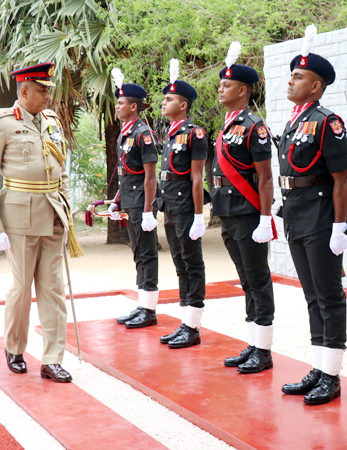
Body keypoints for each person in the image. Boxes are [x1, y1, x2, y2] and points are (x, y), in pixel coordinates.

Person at [0, 62, 76, 383]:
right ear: (24, 91)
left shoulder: (52, 121)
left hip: (52, 214)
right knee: (21, 288)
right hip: (18, 217)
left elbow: (60, 170)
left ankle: (52, 360)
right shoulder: (1, 123)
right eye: (42, 90)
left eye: (48, 90)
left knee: (53, 289)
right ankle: (15, 347)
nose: (48, 95)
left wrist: (67, 212)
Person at [276, 25, 347, 406]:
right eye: (291, 75)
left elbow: (341, 180)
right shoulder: (293, 121)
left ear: (316, 86)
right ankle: (319, 367)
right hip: (296, 214)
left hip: (321, 215)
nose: (291, 81)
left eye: (299, 76)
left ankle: (332, 376)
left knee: (328, 295)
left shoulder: (327, 122)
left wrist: (339, 226)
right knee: (311, 295)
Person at [214, 42, 276, 374]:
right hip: (228, 211)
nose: (220, 89)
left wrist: (265, 218)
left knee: (258, 279)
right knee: (246, 280)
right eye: (220, 84)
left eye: (226, 85)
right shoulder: (227, 125)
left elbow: (265, 177)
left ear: (242, 91)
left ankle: (263, 351)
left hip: (249, 213)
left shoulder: (254, 126)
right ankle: (253, 343)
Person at [156, 59, 209, 349]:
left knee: (192, 263)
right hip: (171, 207)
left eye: (169, 99)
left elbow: (197, 177)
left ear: (183, 105)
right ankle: (185, 322)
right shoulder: (171, 133)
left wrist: (199, 216)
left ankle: (193, 326)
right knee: (179, 264)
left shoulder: (193, 133)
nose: (163, 103)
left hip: (186, 206)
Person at [108, 77, 161, 329]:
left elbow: (150, 176)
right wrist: (117, 201)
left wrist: (149, 211)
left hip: (142, 203)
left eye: (121, 103)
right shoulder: (125, 133)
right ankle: (143, 304)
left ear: (133, 106)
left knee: (147, 253)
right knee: (138, 253)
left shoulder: (143, 134)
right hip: (130, 202)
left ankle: (149, 310)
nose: (117, 106)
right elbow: (125, 173)